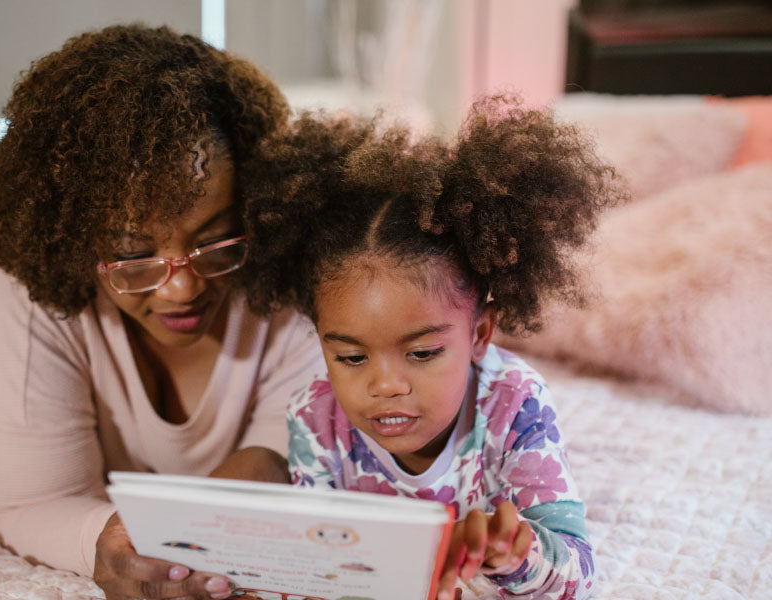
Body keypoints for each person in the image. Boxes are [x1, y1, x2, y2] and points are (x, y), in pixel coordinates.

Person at [0, 24, 325, 600]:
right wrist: (105, 541)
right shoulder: (23, 276)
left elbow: (285, 448)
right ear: (75, 242)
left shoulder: (292, 263)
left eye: (215, 240)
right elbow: (30, 502)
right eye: (133, 254)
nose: (181, 290)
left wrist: (261, 473)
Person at [240, 97, 623, 600]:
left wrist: (513, 553)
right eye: (351, 358)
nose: (385, 386)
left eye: (422, 353)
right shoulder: (316, 417)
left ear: (479, 335)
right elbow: (316, 563)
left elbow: (579, 572)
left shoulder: (516, 405)